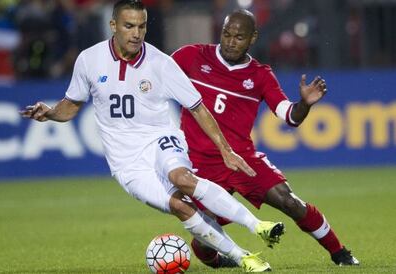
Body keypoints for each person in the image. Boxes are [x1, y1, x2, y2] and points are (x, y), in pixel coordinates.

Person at [20, 1, 285, 272]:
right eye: (129, 26)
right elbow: (70, 106)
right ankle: (243, 257)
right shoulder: (89, 60)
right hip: (126, 161)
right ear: (113, 26)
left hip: (161, 138)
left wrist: (225, 149)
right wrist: (51, 113)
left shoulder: (161, 63)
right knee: (180, 207)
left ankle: (257, 225)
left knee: (183, 179)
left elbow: (198, 108)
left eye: (142, 26)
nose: (136, 33)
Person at [171, 9, 359, 268]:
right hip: (200, 164)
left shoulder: (260, 75)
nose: (230, 41)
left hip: (242, 159)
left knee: (289, 201)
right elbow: (156, 75)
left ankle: (340, 253)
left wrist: (304, 104)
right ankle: (216, 260)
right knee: (204, 235)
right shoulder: (191, 56)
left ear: (252, 38)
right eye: (226, 34)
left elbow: (290, 116)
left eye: (239, 36)